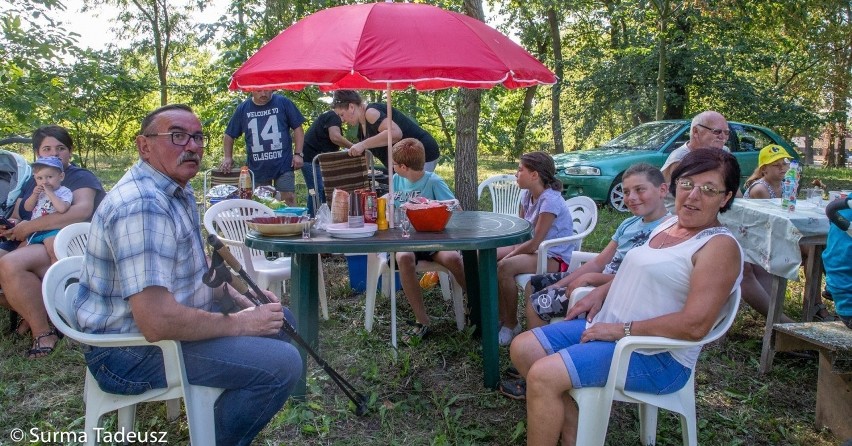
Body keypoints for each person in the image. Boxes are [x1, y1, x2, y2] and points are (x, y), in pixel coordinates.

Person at [74, 104, 301, 446]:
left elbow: (192, 275)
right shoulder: (142, 205)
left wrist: (242, 300)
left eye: (197, 137)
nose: (192, 146)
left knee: (282, 320)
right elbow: (156, 322)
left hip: (160, 334)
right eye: (177, 136)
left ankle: (212, 424)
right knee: (282, 363)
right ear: (144, 146)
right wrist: (242, 323)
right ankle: (214, 437)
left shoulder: (174, 189)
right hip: (128, 352)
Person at [512, 148, 743, 445]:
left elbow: (695, 325)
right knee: (523, 348)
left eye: (709, 189)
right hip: (610, 329)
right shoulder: (669, 224)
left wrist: (619, 331)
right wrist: (602, 293)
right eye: (687, 184)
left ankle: (571, 431)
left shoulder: (718, 247)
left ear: (726, 198)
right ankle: (575, 430)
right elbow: (633, 267)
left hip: (653, 355)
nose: (693, 195)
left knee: (544, 375)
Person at [0, 125, 106, 357]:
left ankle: (42, 331)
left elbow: (80, 211)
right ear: (38, 153)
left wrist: (29, 227)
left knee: (10, 265)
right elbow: (20, 212)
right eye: (47, 149)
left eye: (61, 148)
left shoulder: (80, 177)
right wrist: (10, 225)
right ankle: (36, 313)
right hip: (31, 238)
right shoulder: (34, 178)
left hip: (64, 242)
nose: (54, 153)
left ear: (70, 151)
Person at [524, 163, 670, 330]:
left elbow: (642, 280)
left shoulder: (668, 230)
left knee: (538, 303)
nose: (631, 197)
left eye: (640, 190)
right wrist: (561, 283)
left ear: (662, 190)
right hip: (600, 279)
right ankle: (542, 330)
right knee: (534, 283)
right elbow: (598, 262)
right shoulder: (629, 223)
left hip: (617, 293)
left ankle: (540, 343)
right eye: (626, 192)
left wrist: (592, 279)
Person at [388, 138, 465, 343]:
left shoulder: (433, 181)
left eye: (394, 164)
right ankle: (422, 321)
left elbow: (456, 211)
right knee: (403, 257)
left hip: (433, 239)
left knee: (453, 259)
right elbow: (388, 208)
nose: (393, 167)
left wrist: (431, 207)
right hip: (405, 241)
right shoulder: (395, 180)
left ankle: (473, 302)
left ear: (403, 166)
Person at [496, 151, 574, 346]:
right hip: (532, 250)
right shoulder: (527, 195)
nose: (516, 174)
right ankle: (498, 315)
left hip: (553, 256)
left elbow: (536, 241)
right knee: (487, 256)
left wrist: (511, 254)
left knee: (504, 267)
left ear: (534, 175)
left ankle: (511, 324)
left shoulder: (550, 201)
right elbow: (522, 232)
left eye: (520, 170)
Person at [221, 90, 305, 206]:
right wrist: (227, 157)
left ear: (272, 89)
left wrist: (298, 154)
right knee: (260, 202)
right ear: (251, 90)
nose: (263, 94)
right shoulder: (243, 108)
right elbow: (229, 135)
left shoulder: (283, 102)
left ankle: (289, 223)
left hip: (283, 163)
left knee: (288, 198)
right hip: (257, 167)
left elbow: (298, 128)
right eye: (259, 90)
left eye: (266, 90)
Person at [331, 90, 440, 171]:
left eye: (342, 114)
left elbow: (396, 133)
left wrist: (362, 144)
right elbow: (367, 153)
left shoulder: (371, 112)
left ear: (351, 107)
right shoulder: (361, 128)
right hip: (403, 164)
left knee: (415, 197)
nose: (342, 120)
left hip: (422, 153)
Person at [22, 156, 73, 263]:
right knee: (19, 252)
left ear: (61, 176)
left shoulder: (64, 192)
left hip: (52, 230)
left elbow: (62, 208)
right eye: (39, 178)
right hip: (34, 230)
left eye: (49, 177)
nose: (44, 182)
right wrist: (34, 195)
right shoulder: (37, 192)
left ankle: (56, 274)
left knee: (54, 252)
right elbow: (27, 208)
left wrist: (50, 193)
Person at [302, 109, 353, 215]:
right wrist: (353, 147)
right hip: (311, 159)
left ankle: (326, 217)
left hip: (317, 160)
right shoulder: (334, 116)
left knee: (325, 191)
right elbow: (335, 137)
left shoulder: (329, 116)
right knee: (317, 190)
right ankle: (312, 219)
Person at [661, 111, 729, 183]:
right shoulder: (681, 159)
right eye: (717, 131)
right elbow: (684, 193)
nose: (723, 137)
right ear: (696, 131)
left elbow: (734, 191)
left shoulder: (724, 153)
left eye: (726, 132)